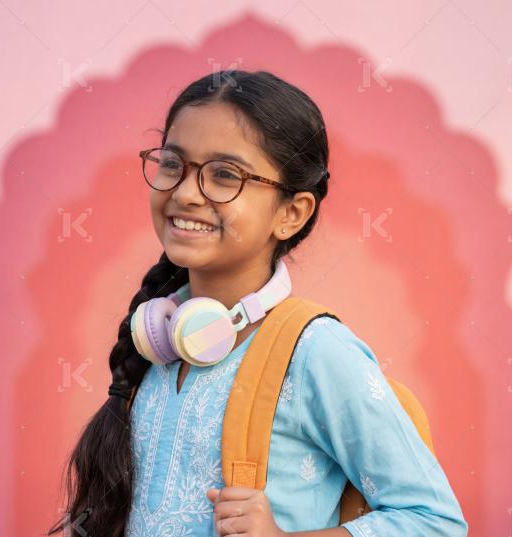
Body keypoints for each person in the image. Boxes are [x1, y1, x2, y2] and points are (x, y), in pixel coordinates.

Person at [49, 69, 468, 537]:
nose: (185, 193)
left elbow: (436, 522)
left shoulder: (315, 352)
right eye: (172, 164)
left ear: (291, 213)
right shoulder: (159, 342)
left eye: (225, 175)